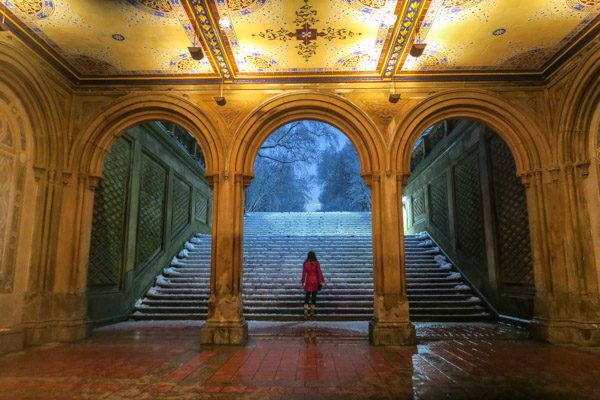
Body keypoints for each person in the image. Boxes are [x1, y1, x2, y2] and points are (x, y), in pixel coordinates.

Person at [301, 251, 325, 318]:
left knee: (307, 296)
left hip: (308, 281)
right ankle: (312, 312)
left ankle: (305, 311)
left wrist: (303, 282)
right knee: (314, 296)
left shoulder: (305, 263)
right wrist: (322, 281)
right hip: (315, 281)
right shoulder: (317, 263)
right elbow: (319, 272)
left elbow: (304, 274)